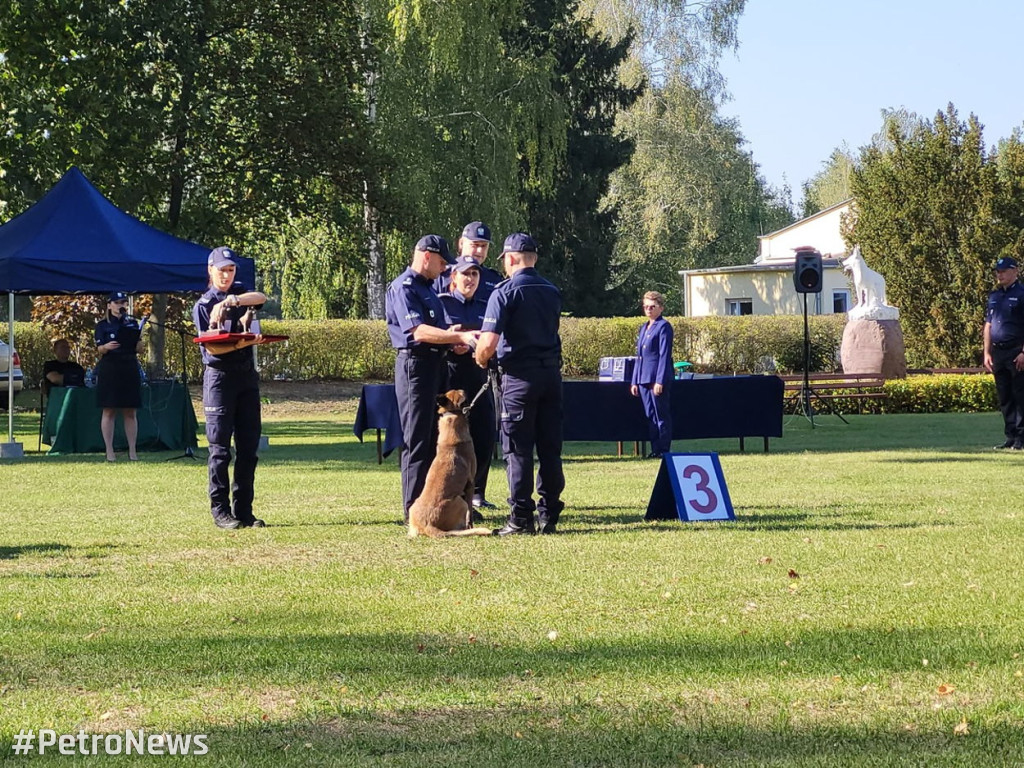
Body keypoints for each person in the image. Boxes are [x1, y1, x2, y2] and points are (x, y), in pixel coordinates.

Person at [475, 233, 565, 535]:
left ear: (510, 258)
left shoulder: (504, 292)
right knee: (550, 448)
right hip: (551, 377)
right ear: (534, 258)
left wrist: (480, 357)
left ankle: (520, 517)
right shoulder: (552, 291)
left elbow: (488, 343)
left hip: (518, 380)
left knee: (518, 449)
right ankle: (549, 513)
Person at [386, 235, 481, 521]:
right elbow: (418, 332)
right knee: (416, 441)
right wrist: (456, 335)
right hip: (415, 367)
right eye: (441, 262)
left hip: (436, 365)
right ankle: (412, 512)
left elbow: (438, 331)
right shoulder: (404, 288)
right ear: (426, 256)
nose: (443, 269)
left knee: (433, 442)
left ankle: (433, 505)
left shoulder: (427, 289)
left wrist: (454, 341)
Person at [193, 246, 269, 529]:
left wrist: (234, 301)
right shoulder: (203, 304)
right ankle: (220, 511)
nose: (226, 275)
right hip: (220, 379)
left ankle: (244, 510)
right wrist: (242, 342)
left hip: (246, 377)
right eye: (222, 270)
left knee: (249, 448)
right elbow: (211, 347)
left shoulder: (238, 294)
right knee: (220, 450)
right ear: (210, 271)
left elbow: (260, 298)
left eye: (231, 270)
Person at [439, 256, 498, 518]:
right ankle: (448, 495)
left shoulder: (487, 306)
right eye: (465, 274)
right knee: (450, 444)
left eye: (475, 275)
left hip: (478, 379)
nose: (470, 279)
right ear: (454, 277)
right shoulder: (441, 303)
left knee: (484, 437)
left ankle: (476, 495)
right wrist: (452, 342)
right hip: (450, 380)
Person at [94, 291, 146, 461]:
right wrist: (107, 347)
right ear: (109, 305)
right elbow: (99, 349)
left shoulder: (132, 323)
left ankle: (133, 451)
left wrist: (140, 341)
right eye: (116, 302)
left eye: (123, 302)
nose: (120, 305)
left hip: (129, 366)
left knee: (130, 411)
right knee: (109, 410)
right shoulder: (102, 325)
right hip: (110, 367)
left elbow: (139, 349)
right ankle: (109, 451)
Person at [983, 256, 1024, 450]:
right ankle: (1010, 436)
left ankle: (1021, 438)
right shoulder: (995, 296)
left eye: (1004, 271)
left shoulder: (1022, 294)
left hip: (1017, 351)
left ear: (1015, 271)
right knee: (1005, 396)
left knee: (1020, 395)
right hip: (999, 352)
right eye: (998, 272)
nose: (1000, 275)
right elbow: (988, 325)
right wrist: (986, 353)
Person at [630, 291, 674, 458]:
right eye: (645, 307)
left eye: (652, 307)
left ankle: (663, 449)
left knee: (660, 415)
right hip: (643, 377)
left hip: (656, 378)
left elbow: (664, 355)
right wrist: (634, 380)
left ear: (660, 308)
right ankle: (655, 448)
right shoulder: (644, 327)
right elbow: (639, 356)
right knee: (650, 415)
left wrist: (660, 380)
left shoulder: (663, 326)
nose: (648, 309)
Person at [434, 221, 503, 300]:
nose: (480, 250)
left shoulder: (494, 279)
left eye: (484, 246)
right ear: (461, 243)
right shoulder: (443, 275)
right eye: (475, 245)